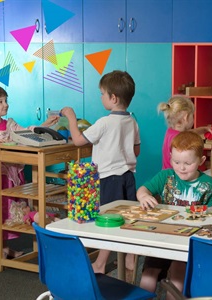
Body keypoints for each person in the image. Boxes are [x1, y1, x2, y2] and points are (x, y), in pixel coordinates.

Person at [61, 70, 140, 276]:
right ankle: (130, 260)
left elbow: (78, 140)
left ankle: (101, 263)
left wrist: (71, 117)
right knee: (127, 218)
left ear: (113, 98)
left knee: (108, 220)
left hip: (108, 178)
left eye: (102, 94)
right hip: (128, 176)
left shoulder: (104, 122)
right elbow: (136, 150)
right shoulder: (132, 121)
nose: (101, 97)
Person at [137, 131, 212, 300]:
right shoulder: (165, 176)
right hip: (163, 236)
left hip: (189, 241)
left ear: (201, 161)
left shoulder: (209, 184)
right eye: (176, 161)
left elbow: (211, 214)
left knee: (178, 277)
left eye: (187, 163)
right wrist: (144, 196)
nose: (181, 167)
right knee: (149, 275)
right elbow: (142, 190)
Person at [0, 84, 59, 261]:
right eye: (0, 101)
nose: (5, 104)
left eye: (6, 100)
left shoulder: (10, 125)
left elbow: (26, 134)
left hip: (10, 177)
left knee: (8, 210)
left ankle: (4, 247)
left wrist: (43, 125)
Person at [158, 95, 211, 169]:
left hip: (167, 175)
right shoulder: (181, 140)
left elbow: (189, 133)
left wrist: (203, 129)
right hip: (176, 177)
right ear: (186, 117)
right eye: (193, 115)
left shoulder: (170, 131)